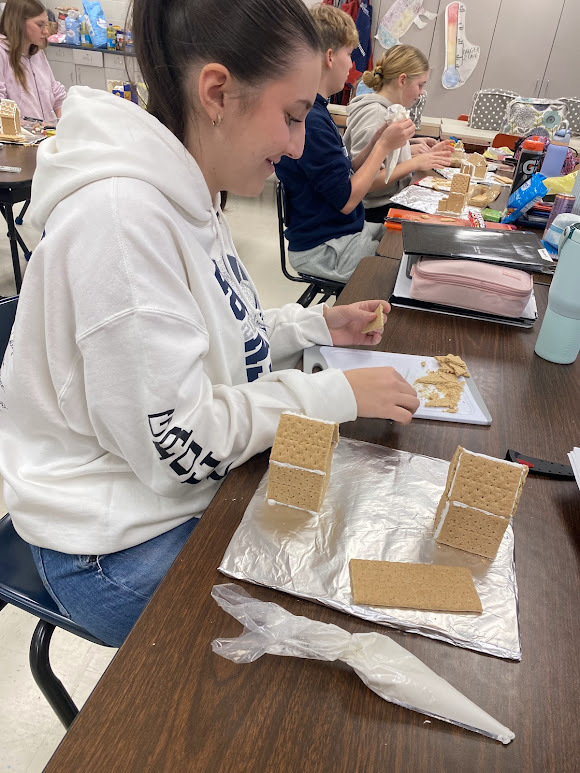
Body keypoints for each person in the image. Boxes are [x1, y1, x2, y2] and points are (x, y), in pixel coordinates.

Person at [0, 0, 419, 648]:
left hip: (159, 491)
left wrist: (313, 326)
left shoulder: (193, 193)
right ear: (218, 91)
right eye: (290, 115)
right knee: (317, 615)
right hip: (104, 544)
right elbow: (184, 447)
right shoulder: (122, 226)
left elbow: (226, 327)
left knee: (342, 534)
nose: (297, 145)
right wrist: (332, 394)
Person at [275, 4, 416, 284]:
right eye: (349, 54)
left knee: (409, 238)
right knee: (405, 273)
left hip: (344, 234)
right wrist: (384, 148)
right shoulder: (310, 120)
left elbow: (340, 173)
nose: (352, 65)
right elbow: (347, 200)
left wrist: (375, 143)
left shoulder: (318, 111)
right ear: (329, 57)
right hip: (325, 248)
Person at [344, 45, 452, 223]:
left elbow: (381, 155)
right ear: (402, 80)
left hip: (383, 203)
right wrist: (415, 163)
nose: (421, 92)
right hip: (373, 211)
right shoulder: (375, 115)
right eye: (420, 85)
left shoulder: (386, 110)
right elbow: (365, 182)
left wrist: (411, 147)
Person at [0, 0, 65, 123]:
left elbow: (56, 95)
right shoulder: (2, 53)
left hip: (45, 135)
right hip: (20, 139)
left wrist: (62, 125)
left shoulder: (37, 53)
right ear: (19, 23)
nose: (45, 31)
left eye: (46, 25)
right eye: (40, 25)